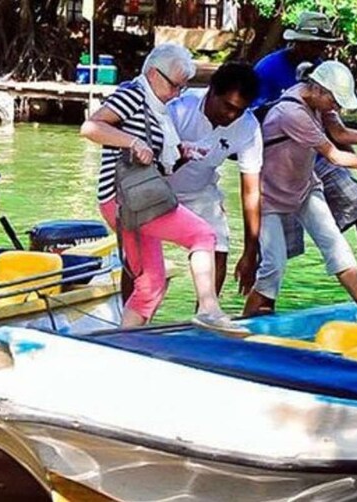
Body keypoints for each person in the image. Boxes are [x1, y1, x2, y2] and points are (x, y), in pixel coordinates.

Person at [81, 43, 245, 334]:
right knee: (203, 234)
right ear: (154, 74)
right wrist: (132, 143)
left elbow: (154, 149)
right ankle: (209, 309)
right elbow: (91, 127)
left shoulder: (157, 108)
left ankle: (123, 341)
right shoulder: (133, 94)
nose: (178, 94)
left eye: (183, 88)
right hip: (126, 200)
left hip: (126, 203)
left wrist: (182, 151)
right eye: (175, 86)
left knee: (151, 284)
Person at [254, 11, 357, 304]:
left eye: (324, 46)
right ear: (298, 42)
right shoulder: (268, 70)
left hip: (317, 159)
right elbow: (249, 118)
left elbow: (335, 129)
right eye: (315, 44)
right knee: (274, 253)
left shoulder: (322, 71)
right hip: (278, 162)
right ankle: (259, 307)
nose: (320, 51)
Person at [242, 61, 357, 325]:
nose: (336, 108)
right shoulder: (292, 113)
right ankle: (242, 324)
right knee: (273, 267)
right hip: (269, 197)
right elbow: (335, 156)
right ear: (319, 90)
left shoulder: (317, 102)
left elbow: (339, 132)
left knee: (338, 249)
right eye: (335, 101)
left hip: (305, 189)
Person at [166, 62, 262, 297]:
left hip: (200, 191)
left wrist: (251, 251)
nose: (231, 116)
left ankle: (206, 315)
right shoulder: (177, 108)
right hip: (156, 185)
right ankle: (128, 327)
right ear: (211, 91)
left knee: (218, 247)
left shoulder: (249, 127)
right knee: (142, 258)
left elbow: (251, 192)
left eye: (239, 110)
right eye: (228, 106)